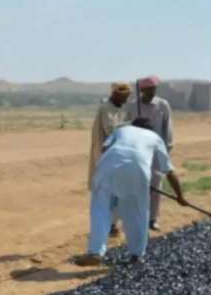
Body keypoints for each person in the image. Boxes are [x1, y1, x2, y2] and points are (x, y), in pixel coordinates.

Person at [75, 118, 188, 266]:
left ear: (133, 125)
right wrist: (180, 196)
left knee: (101, 209)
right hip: (139, 170)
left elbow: (105, 149)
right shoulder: (155, 137)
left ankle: (95, 252)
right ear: (150, 129)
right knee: (138, 213)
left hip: (109, 165)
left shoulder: (121, 130)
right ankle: (136, 255)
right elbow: (169, 171)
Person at [127, 75, 174, 231]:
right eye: (149, 90)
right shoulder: (133, 106)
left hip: (156, 150)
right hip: (137, 150)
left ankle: (153, 218)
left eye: (154, 89)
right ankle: (137, 216)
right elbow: (126, 126)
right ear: (142, 90)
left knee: (155, 183)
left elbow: (168, 127)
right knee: (137, 183)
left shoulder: (163, 105)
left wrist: (166, 148)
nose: (152, 92)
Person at [89, 82, 132, 236]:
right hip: (105, 156)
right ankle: (108, 225)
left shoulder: (122, 107)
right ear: (114, 95)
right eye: (122, 97)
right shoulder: (106, 108)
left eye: (126, 97)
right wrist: (133, 125)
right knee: (107, 192)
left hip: (117, 155)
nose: (125, 100)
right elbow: (111, 129)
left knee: (117, 192)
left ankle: (113, 224)